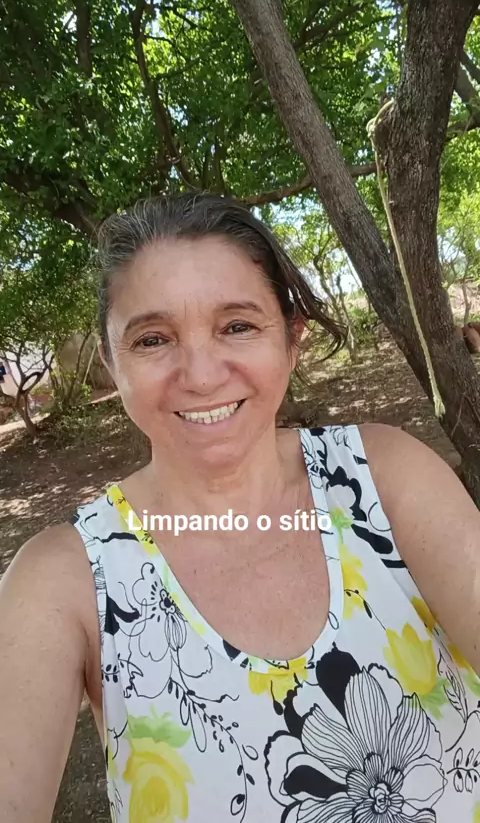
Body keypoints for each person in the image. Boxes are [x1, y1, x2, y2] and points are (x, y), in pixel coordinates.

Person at [1, 192, 480, 823]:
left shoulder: (386, 478)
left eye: (237, 326)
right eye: (152, 338)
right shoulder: (65, 582)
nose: (201, 375)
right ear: (113, 363)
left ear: (292, 340)